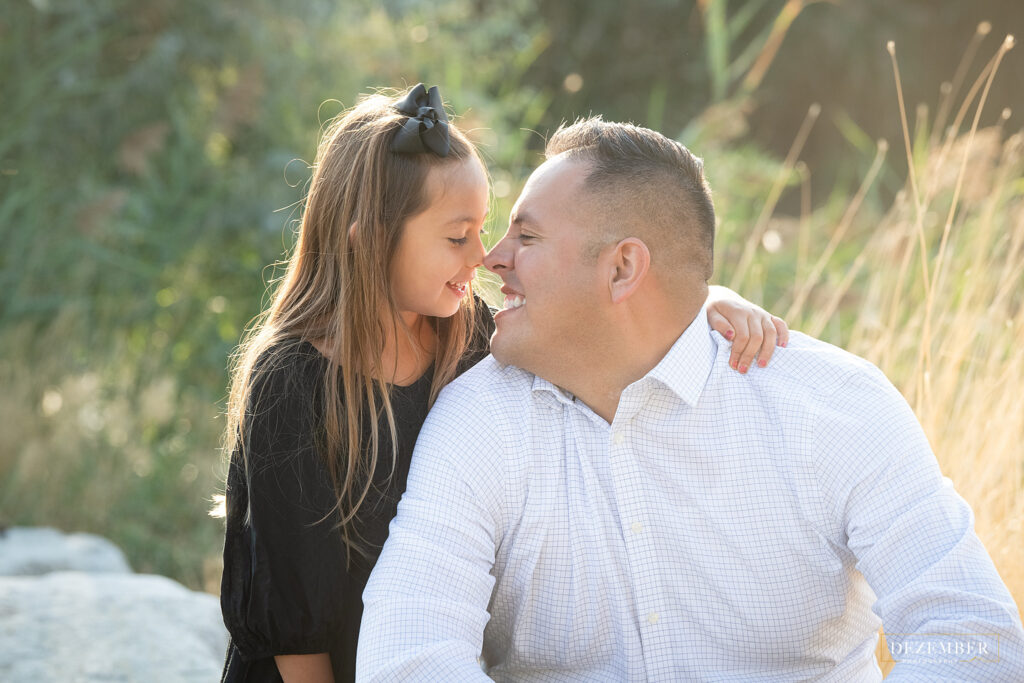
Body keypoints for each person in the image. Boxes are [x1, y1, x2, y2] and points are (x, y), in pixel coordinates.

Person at [358, 117, 1024, 681]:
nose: (490, 259)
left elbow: (971, 631)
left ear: (622, 268)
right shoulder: (477, 421)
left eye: (526, 237)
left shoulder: (832, 406)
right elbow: (410, 653)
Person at [217, 86, 786, 683]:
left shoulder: (470, 340)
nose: (483, 257)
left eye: (482, 231)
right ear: (371, 239)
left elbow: (606, 326)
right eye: (456, 237)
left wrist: (713, 302)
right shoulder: (290, 382)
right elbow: (295, 621)